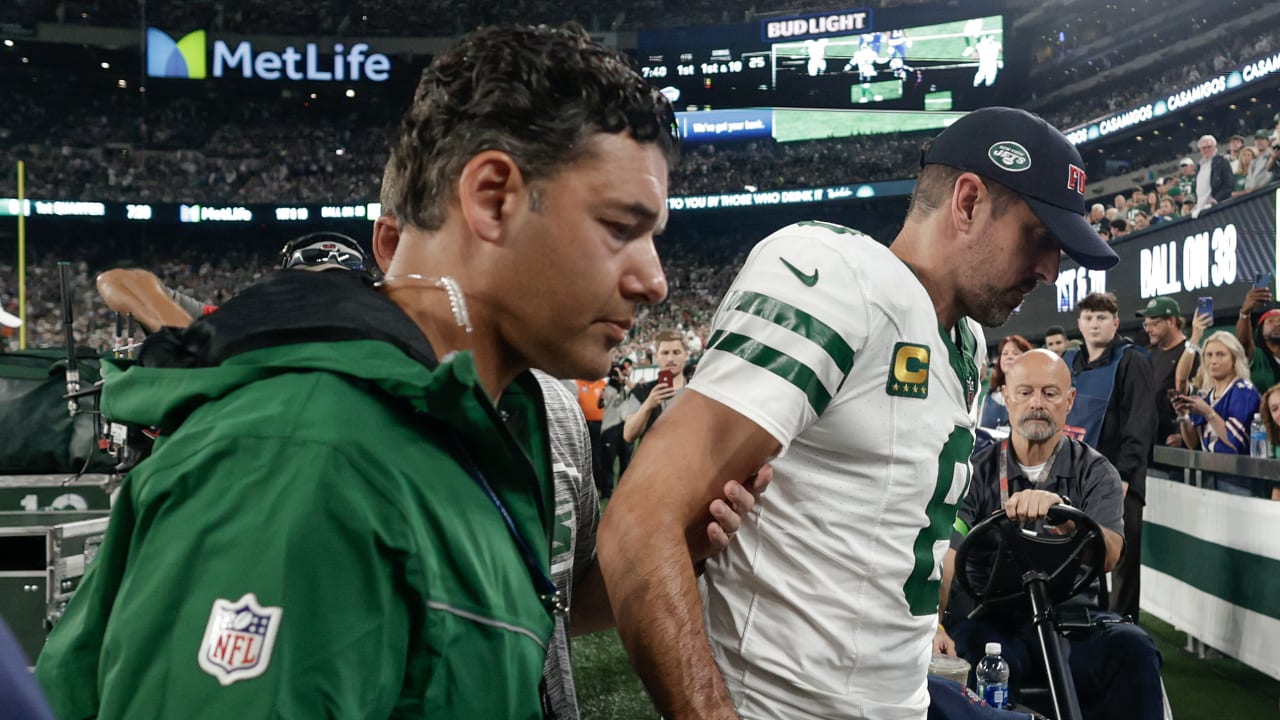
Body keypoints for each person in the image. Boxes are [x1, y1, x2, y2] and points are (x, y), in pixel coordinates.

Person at [37, 24, 680, 719]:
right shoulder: (302, 454)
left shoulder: (464, 430)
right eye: (621, 227)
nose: (655, 280)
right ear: (493, 196)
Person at [596, 106, 1119, 720]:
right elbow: (641, 524)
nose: (1052, 270)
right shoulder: (836, 276)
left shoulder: (968, 343)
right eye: (1040, 237)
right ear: (969, 201)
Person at [935, 350, 1164, 720]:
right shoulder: (976, 472)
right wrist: (937, 622)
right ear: (1006, 397)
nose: (1037, 404)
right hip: (995, 621)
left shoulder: (1095, 470)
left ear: (1070, 401)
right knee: (969, 650)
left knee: (1134, 648)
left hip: (1075, 622)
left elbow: (1110, 553)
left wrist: (1072, 522)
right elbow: (949, 553)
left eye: (1050, 393)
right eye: (1025, 393)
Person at [1063, 292, 1154, 622]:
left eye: (1101, 318)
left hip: (1120, 479)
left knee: (1121, 560)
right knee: (1080, 554)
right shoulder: (1071, 361)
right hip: (1078, 477)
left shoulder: (1132, 361)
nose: (1094, 324)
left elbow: (1141, 422)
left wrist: (1126, 476)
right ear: (1079, 324)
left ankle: (1123, 627)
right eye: (1088, 317)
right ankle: (1086, 621)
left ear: (1115, 323)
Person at [1174, 320, 1261, 492]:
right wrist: (1183, 416)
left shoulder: (1243, 390)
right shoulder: (1207, 395)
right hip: (1209, 473)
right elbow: (1192, 444)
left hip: (1237, 477)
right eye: (1209, 355)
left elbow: (1235, 442)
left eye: (1221, 355)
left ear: (1234, 358)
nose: (1214, 361)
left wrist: (1208, 412)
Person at [1136, 296, 1196, 447]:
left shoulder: (1190, 353)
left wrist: (1185, 435)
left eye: (1154, 324)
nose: (1148, 329)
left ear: (1172, 321)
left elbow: (1199, 397)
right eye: (1146, 324)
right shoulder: (1147, 354)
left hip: (1174, 445)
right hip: (1148, 442)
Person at [622, 328, 689, 444]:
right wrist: (648, 405)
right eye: (665, 353)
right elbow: (628, 435)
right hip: (653, 460)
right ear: (656, 356)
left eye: (676, 352)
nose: (670, 359)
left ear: (686, 355)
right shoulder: (641, 391)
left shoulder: (698, 391)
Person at [978, 335, 1033, 431]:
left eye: (1015, 353)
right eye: (1005, 353)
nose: (1009, 357)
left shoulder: (1033, 397)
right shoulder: (988, 396)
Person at [1192, 134, 1233, 213]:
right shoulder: (1199, 166)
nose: (1207, 149)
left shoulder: (1222, 161)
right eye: (1204, 148)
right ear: (1200, 150)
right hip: (1202, 207)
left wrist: (1216, 199)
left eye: (1209, 147)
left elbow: (1229, 184)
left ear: (1214, 147)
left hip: (1219, 205)